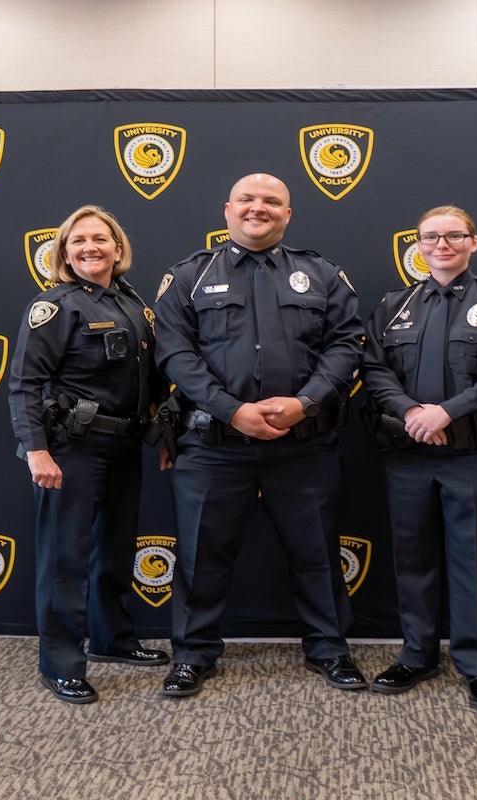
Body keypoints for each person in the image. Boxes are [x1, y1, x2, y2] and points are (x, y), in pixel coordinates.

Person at [151, 173, 366, 697]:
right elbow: (175, 353)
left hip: (304, 444)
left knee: (316, 550)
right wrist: (231, 410)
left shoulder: (322, 274)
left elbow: (346, 345)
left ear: (288, 215)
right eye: (247, 199)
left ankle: (329, 648)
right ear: (227, 209)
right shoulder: (189, 277)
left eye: (273, 201)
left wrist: (304, 402)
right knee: (201, 555)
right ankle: (193, 654)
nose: (259, 208)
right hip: (213, 446)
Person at [360, 206, 477, 711]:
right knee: (412, 560)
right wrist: (413, 412)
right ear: (416, 244)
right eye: (430, 237)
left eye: (453, 236)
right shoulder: (395, 305)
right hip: (409, 454)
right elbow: (373, 368)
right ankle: (417, 654)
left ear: (473, 242)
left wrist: (446, 413)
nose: (442, 244)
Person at [9, 205, 170, 705]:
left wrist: (165, 435)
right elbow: (24, 385)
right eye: (78, 242)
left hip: (124, 445)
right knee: (66, 560)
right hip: (72, 450)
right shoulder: (55, 307)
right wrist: (36, 451)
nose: (89, 248)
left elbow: (153, 381)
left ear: (117, 249)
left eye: (99, 239)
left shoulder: (136, 306)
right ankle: (60, 664)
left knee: (115, 551)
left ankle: (113, 639)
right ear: (64, 253)